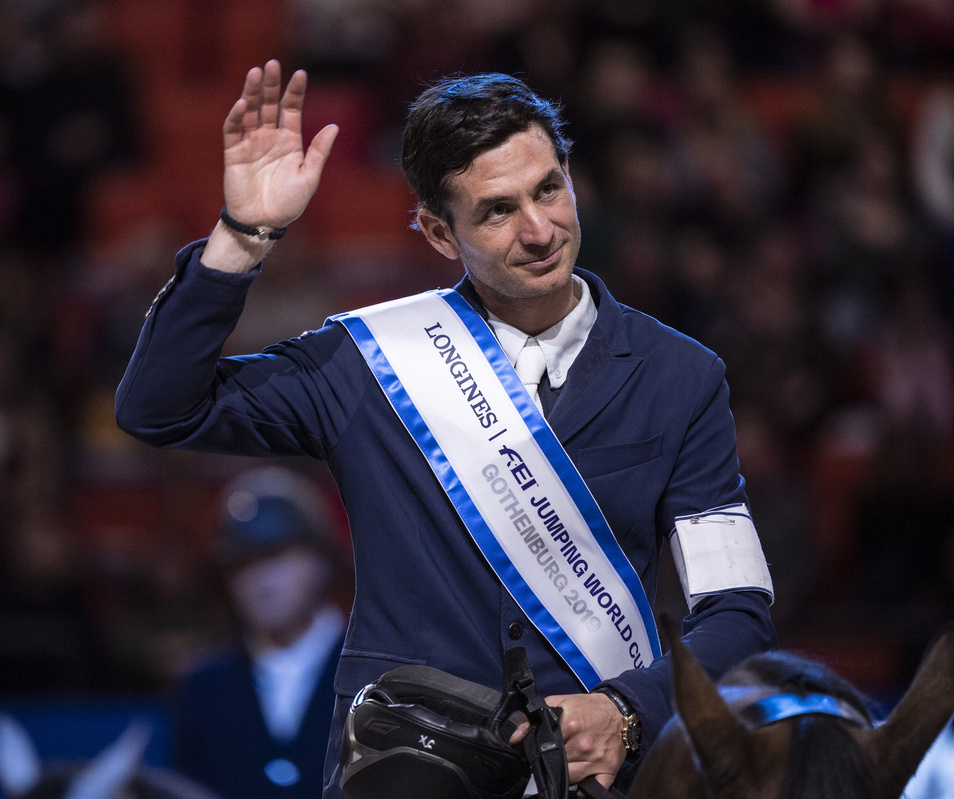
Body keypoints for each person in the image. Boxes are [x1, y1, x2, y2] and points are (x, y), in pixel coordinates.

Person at [115, 60, 776, 795]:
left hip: (597, 780)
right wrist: (244, 235)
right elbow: (158, 407)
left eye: (549, 189)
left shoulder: (682, 376)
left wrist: (627, 710)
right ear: (437, 230)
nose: (539, 230)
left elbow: (736, 611)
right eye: (497, 210)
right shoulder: (367, 362)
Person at [172, 466, 347, 799]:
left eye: (275, 555)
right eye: (242, 563)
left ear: (322, 559)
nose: (261, 581)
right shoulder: (204, 686)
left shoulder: (373, 677)